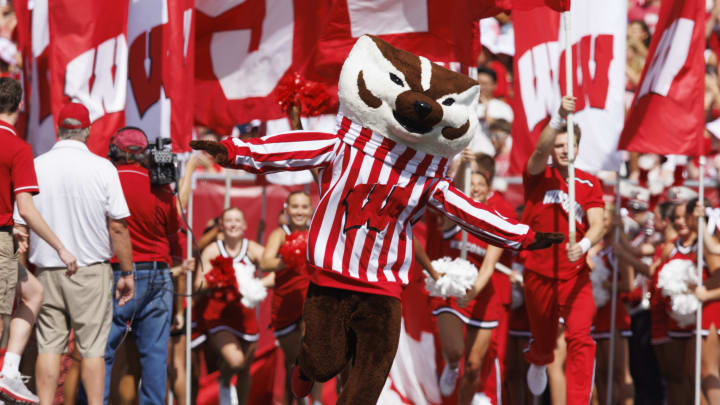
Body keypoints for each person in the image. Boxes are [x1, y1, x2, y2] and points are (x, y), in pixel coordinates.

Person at [15, 102, 134, 405]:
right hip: (91, 270)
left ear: (59, 129)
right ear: (87, 131)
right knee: (93, 349)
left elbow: (21, 225)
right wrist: (128, 272)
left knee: (49, 347)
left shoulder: (37, 164)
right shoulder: (102, 168)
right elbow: (118, 228)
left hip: (46, 269)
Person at [521, 95, 605, 403]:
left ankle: (578, 400)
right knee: (545, 343)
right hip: (538, 272)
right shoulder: (538, 175)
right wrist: (557, 117)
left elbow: (599, 223)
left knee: (581, 338)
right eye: (559, 145)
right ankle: (539, 357)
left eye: (570, 144)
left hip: (574, 275)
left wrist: (583, 245)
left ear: (579, 146)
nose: (565, 150)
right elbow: (539, 151)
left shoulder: (589, 183)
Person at [0, 77, 77, 404]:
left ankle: (9, 370)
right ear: (20, 106)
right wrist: (60, 246)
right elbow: (27, 208)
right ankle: (6, 375)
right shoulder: (18, 147)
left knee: (33, 291)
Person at [101, 127, 184, 404]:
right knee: (155, 356)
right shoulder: (160, 184)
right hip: (158, 274)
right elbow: (174, 228)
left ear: (117, 152)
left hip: (118, 273)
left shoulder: (107, 178)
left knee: (102, 349)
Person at [430, 166, 504, 405]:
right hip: (451, 290)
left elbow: (488, 267)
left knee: (473, 367)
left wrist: (473, 292)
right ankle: (451, 366)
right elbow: (457, 190)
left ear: (489, 190)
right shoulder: (454, 218)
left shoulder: (495, 223)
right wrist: (463, 164)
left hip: (480, 295)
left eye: (480, 184)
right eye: (471, 183)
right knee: (455, 353)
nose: (475, 187)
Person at [194, 207, 273, 405]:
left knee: (245, 368)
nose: (233, 224)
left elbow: (274, 273)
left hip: (246, 319)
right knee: (236, 361)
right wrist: (218, 281)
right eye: (229, 220)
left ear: (245, 225)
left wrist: (253, 285)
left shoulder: (252, 248)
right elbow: (198, 284)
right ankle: (224, 379)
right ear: (222, 225)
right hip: (218, 316)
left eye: (237, 220)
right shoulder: (213, 249)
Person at [260, 190, 323, 405]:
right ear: (286, 209)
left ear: (311, 210)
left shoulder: (317, 232)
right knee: (295, 363)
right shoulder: (280, 234)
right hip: (285, 306)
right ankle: (297, 400)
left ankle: (316, 402)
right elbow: (265, 263)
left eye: (304, 207)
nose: (299, 211)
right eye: (294, 207)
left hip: (311, 303)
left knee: (313, 356)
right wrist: (290, 257)